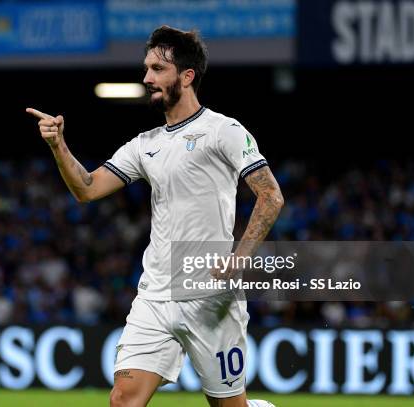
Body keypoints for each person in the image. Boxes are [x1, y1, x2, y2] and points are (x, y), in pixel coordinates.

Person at [27, 25, 283, 407]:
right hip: (156, 295)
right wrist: (58, 145)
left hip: (211, 295)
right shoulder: (145, 145)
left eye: (158, 69)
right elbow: (87, 188)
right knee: (123, 400)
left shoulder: (224, 131)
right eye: (146, 68)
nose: (147, 78)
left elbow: (271, 195)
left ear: (187, 75)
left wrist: (239, 258)